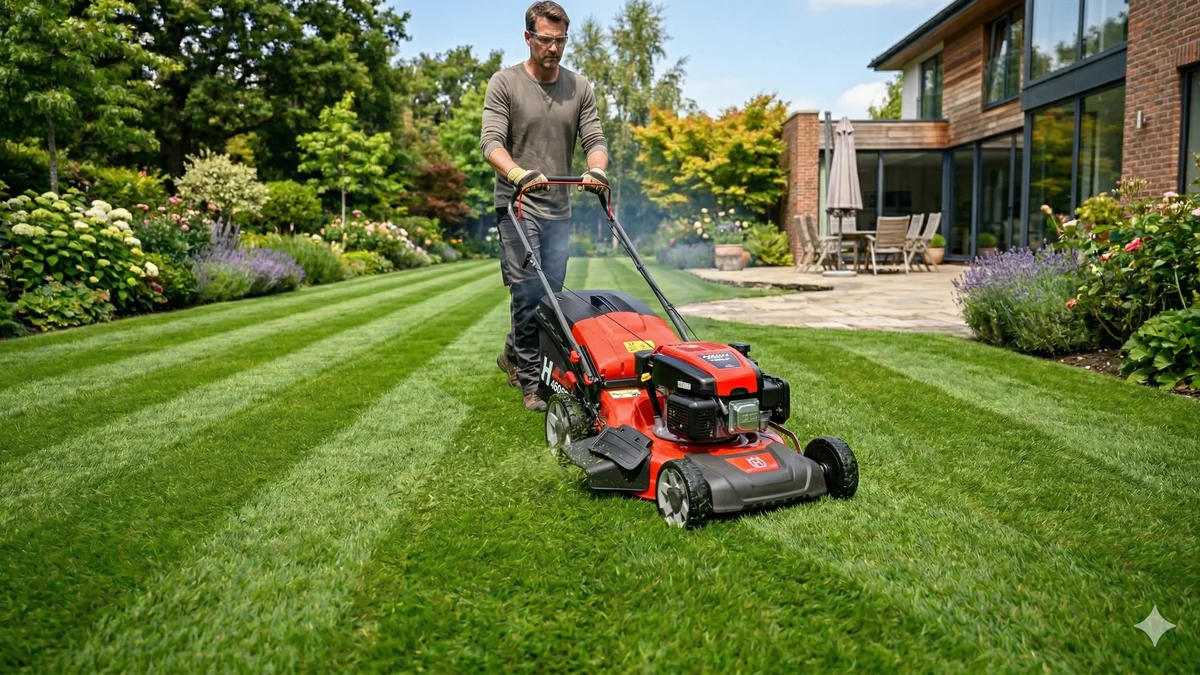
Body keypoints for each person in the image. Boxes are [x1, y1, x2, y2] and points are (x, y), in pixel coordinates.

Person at [479, 1, 609, 412]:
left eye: (560, 41)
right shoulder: (505, 83)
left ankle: (511, 353)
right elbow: (491, 143)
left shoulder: (579, 87)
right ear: (528, 37)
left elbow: (595, 139)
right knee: (526, 291)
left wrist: (597, 171)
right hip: (517, 205)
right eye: (546, 40)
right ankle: (531, 384)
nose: (553, 48)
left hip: (558, 207)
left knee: (550, 294)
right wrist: (516, 172)